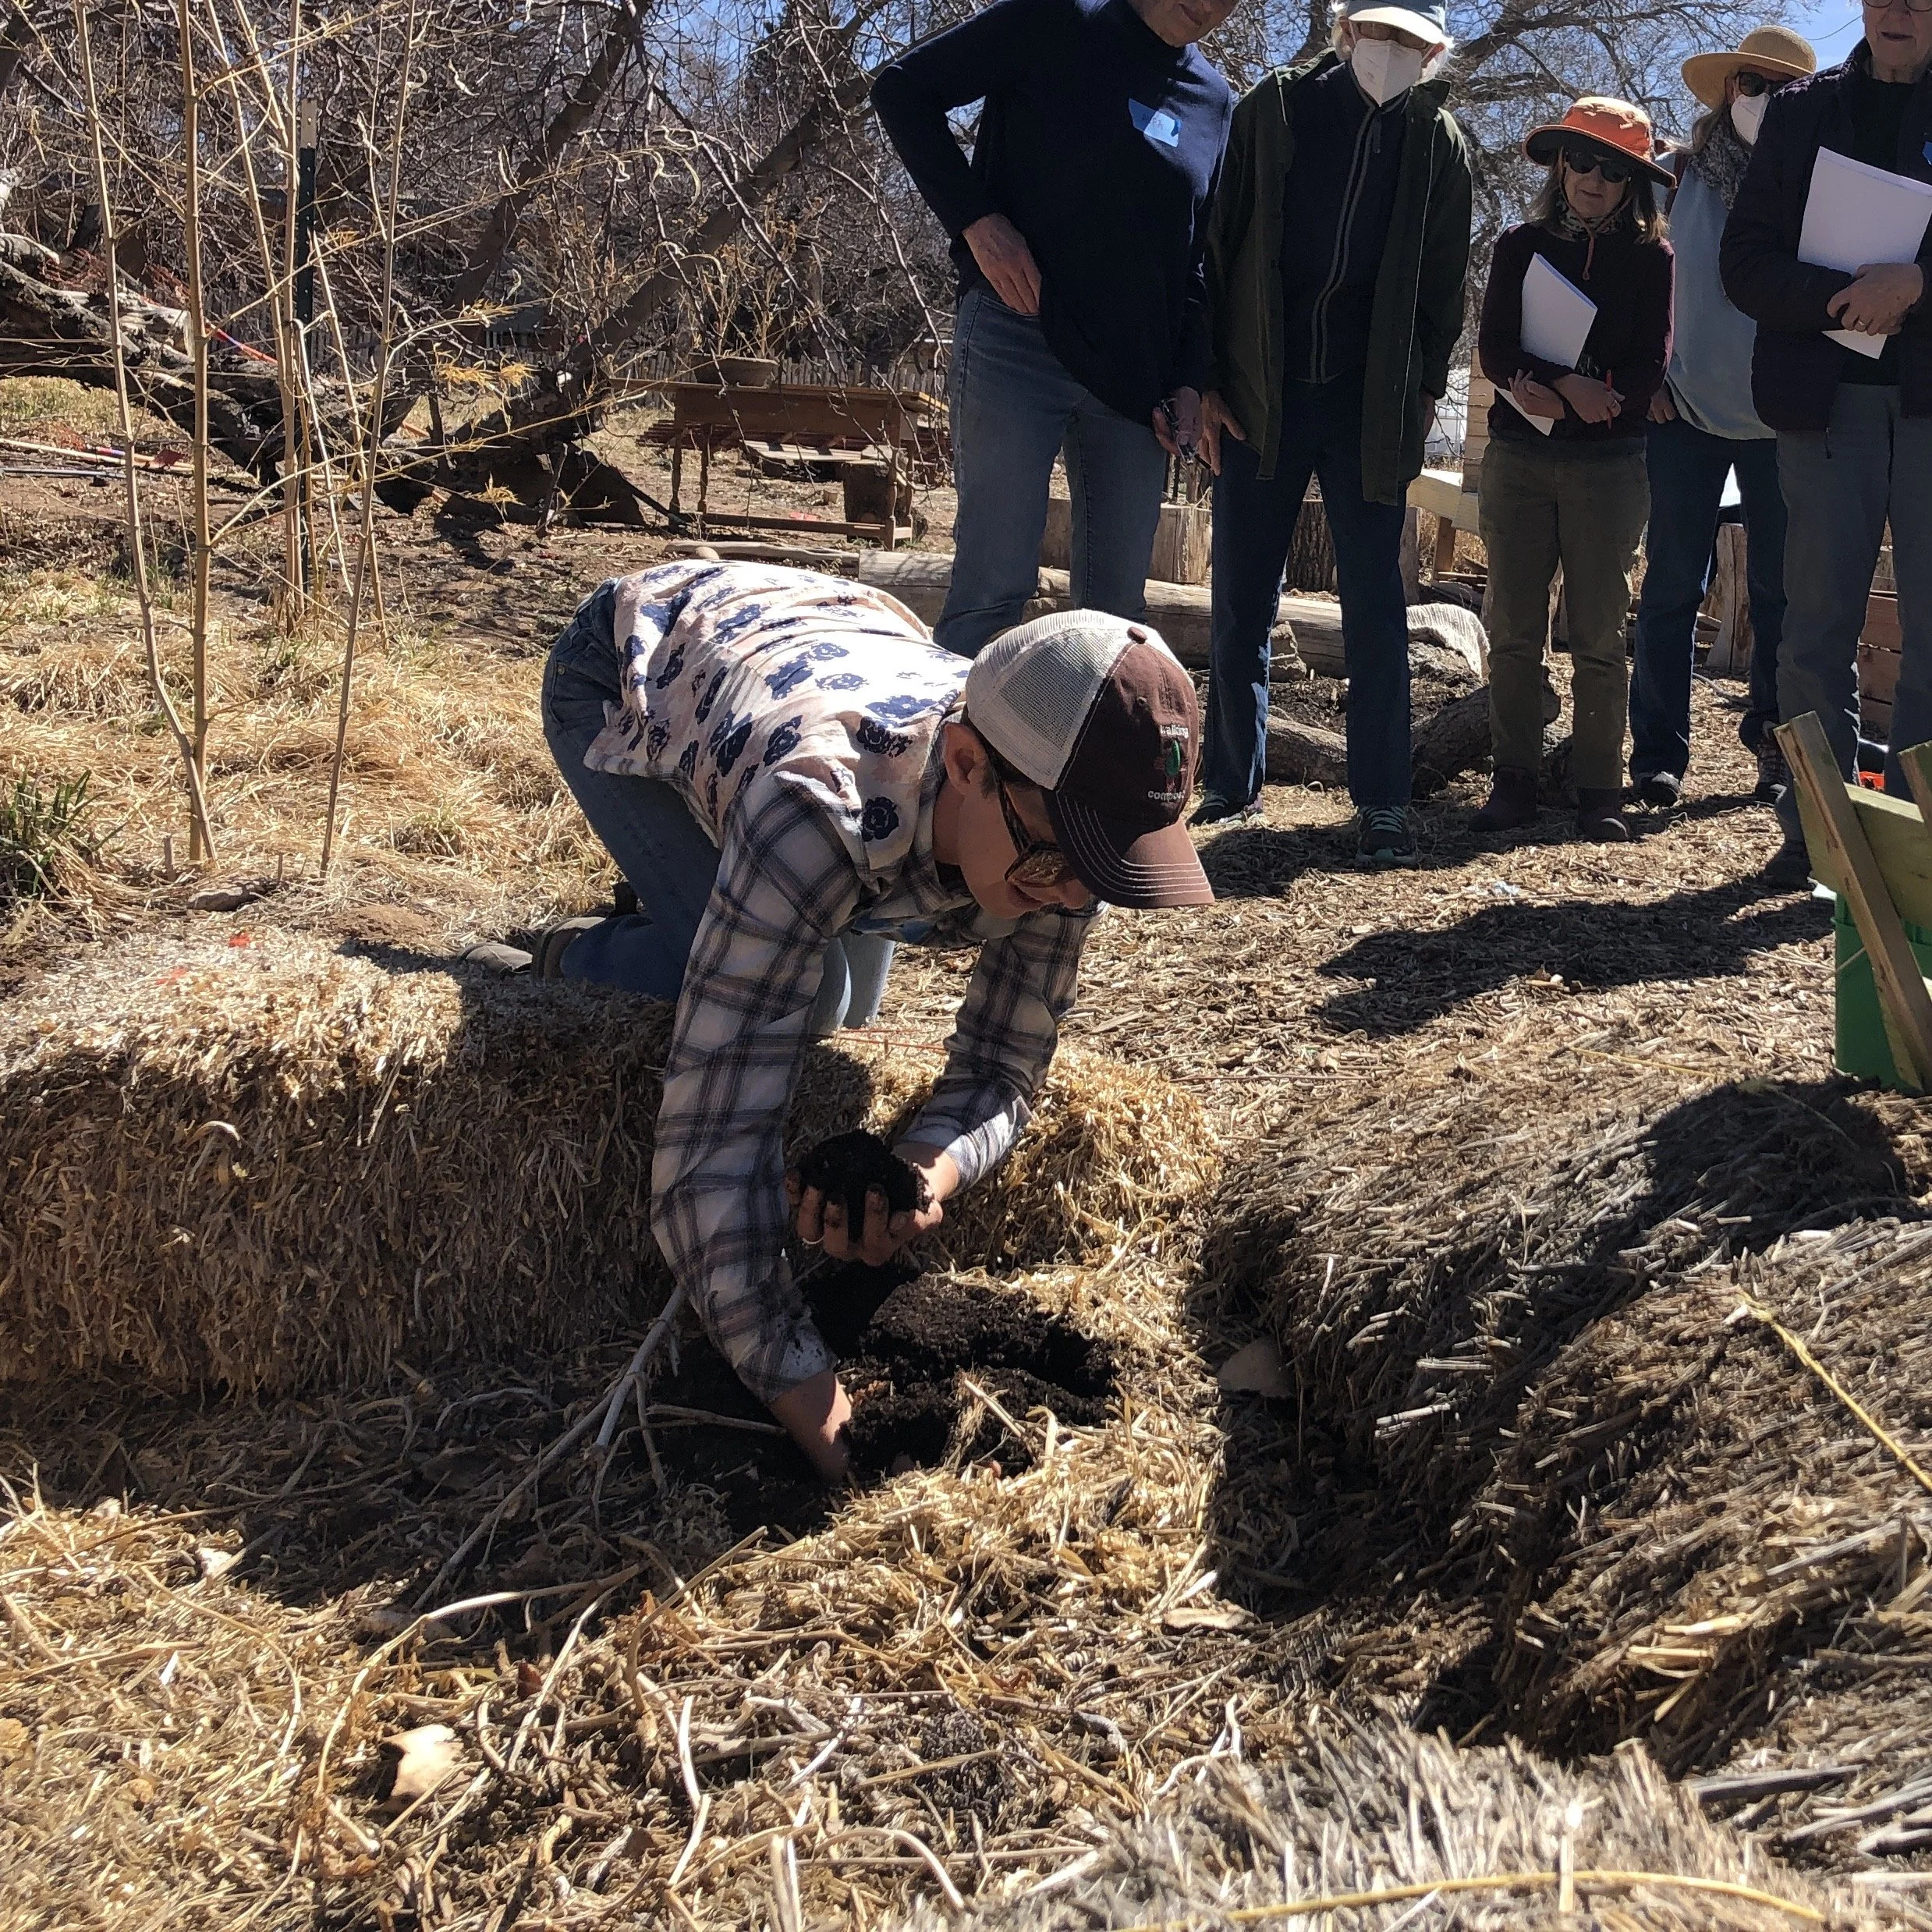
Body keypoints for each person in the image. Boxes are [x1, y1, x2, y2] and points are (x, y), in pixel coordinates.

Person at [530, 560, 1212, 1479]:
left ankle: (698, 912)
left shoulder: (1052, 812)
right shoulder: (812, 809)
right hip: (627, 667)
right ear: (967, 765)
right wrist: (827, 1420)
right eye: (1059, 862)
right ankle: (570, 954)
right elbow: (701, 1174)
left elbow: (1003, 1066)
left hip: (821, 640)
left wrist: (926, 1170)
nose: (1076, 898)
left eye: (1106, 870)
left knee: (839, 992)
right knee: (809, 999)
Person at [1193, 0, 1473, 865]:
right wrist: (1205, 377)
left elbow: (1441, 280)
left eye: (1410, 42)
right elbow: (1216, 245)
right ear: (1347, 31)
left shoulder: (1438, 143)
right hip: (1261, 391)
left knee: (1374, 606)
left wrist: (1424, 388)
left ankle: (1381, 800)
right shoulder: (1271, 109)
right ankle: (1231, 786)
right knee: (1241, 598)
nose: (1389, 52)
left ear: (1431, 54)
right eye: (1377, 33)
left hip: (1366, 404)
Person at [871, 0, 1235, 659]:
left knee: (1114, 622)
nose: (1210, 4)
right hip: (1016, 341)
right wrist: (976, 221)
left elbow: (1195, 262)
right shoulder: (1057, 19)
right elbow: (902, 89)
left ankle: (1074, 763)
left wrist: (1187, 378)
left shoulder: (1213, 103)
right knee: (991, 591)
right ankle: (950, 762)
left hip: (1132, 384)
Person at [1721, 0, 1932, 885]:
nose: (1896, 11)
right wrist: (1846, 298)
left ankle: (1919, 846)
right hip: (1825, 404)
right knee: (1812, 632)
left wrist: (1915, 283)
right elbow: (1743, 262)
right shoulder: (1801, 114)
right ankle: (1816, 837)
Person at [1472, 97, 1675, 843]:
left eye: (1611, 168)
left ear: (1632, 184)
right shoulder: (1519, 245)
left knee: (1598, 635)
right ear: (1559, 166)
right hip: (1518, 458)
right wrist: (1558, 387)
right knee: (1515, 630)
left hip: (1609, 469)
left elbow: (1648, 368)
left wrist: (1599, 402)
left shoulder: (1653, 259)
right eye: (1580, 161)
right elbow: (1495, 349)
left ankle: (1598, 788)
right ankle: (1513, 779)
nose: (1592, 178)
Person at [1628, 28, 1817, 813]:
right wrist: (1641, 377)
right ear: (1724, 91)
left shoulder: (1813, 185)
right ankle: (1657, 757)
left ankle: (1773, 743)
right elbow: (1632, 277)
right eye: (1749, 82)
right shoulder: (1672, 176)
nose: (1760, 99)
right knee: (1673, 584)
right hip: (1682, 415)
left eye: (1780, 87)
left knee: (1781, 591)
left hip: (1783, 422)